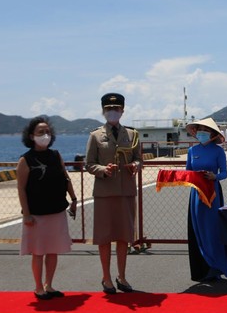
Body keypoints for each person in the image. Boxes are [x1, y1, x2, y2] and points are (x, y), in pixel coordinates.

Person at [85, 93, 141, 294]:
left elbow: (138, 159)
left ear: (122, 111)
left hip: (125, 192)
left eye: (116, 109)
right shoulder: (95, 136)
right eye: (109, 109)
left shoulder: (132, 135)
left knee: (124, 237)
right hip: (104, 193)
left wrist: (135, 165)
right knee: (104, 237)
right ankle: (106, 278)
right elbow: (89, 164)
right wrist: (103, 170)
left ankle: (122, 277)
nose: (112, 112)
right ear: (103, 111)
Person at [16, 116, 76, 300]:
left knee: (52, 250)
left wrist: (73, 199)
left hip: (56, 211)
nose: (45, 135)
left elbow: (66, 178)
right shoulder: (25, 160)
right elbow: (21, 189)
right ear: (31, 135)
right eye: (40, 132)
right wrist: (26, 214)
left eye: (47, 132)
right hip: (36, 214)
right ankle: (37, 287)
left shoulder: (55, 155)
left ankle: (49, 285)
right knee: (38, 252)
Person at [184, 118, 227, 281]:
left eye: (205, 130)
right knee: (198, 229)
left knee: (212, 229)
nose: (201, 132)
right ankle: (200, 270)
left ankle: (215, 267)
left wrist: (214, 176)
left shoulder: (218, 151)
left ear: (212, 134)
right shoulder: (192, 151)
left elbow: (224, 173)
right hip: (196, 195)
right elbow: (188, 173)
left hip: (212, 194)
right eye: (199, 129)